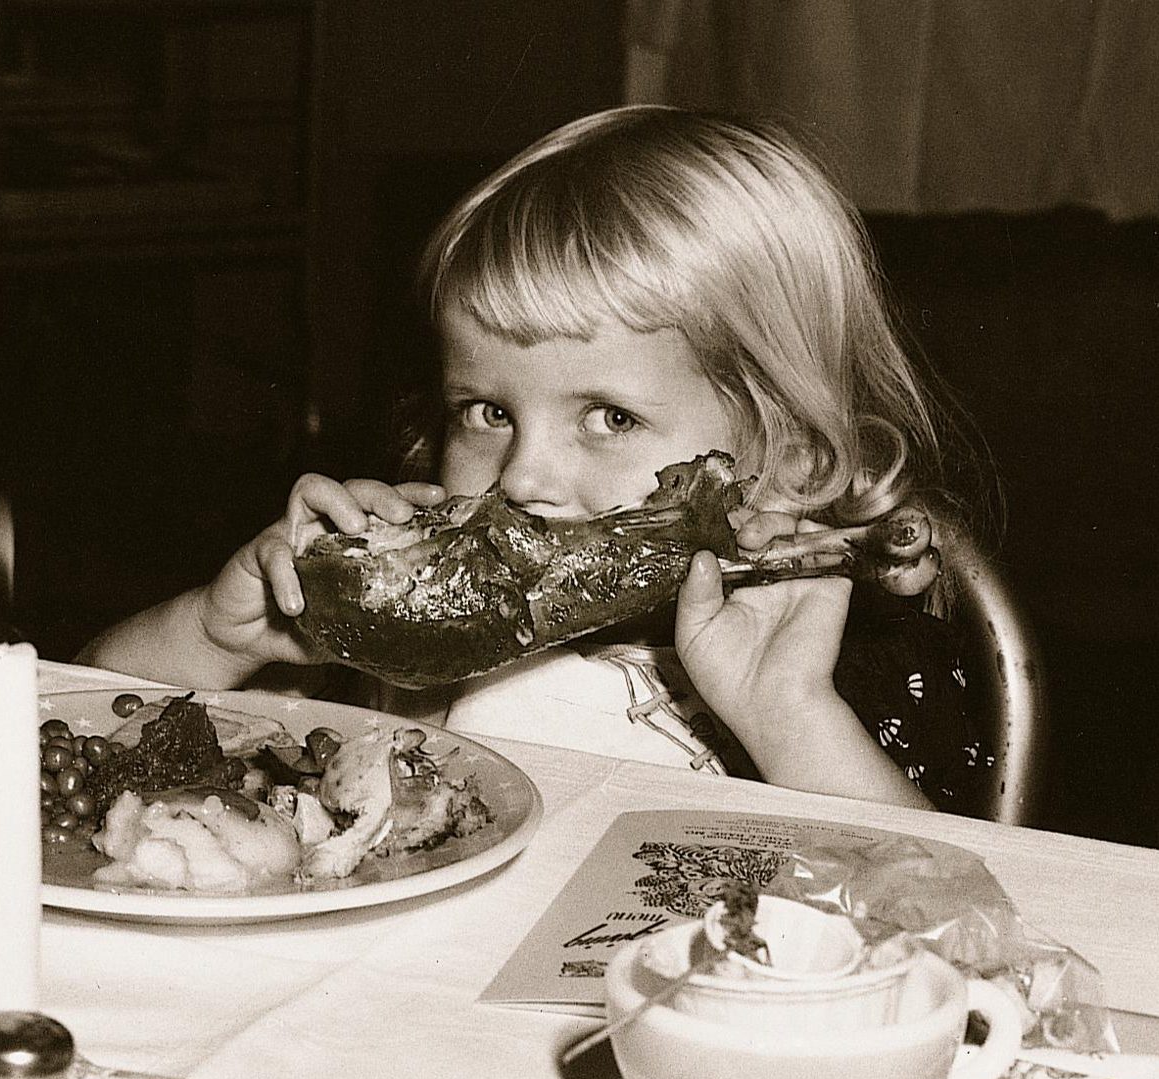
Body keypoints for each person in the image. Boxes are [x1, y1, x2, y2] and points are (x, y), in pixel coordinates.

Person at [78, 105, 994, 813]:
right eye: (486, 412)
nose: (521, 477)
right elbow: (69, 726)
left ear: (791, 460)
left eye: (609, 417)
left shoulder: (839, 663)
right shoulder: (397, 631)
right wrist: (217, 636)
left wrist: (786, 713)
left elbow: (954, 930)